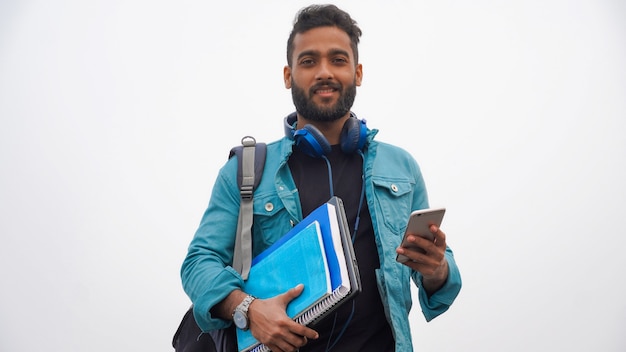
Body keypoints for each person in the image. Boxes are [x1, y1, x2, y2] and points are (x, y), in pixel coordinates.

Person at [181, 4, 462, 352]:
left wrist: (436, 269)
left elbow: (441, 279)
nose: (324, 72)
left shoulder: (401, 167)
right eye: (309, 61)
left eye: (338, 60)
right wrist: (248, 310)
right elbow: (198, 264)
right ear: (288, 76)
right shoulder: (245, 171)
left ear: (358, 72)